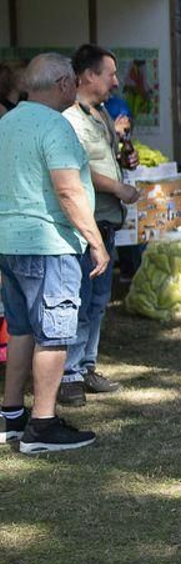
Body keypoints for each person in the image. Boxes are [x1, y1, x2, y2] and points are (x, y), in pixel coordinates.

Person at [0, 54, 107, 453]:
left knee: (23, 329)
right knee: (55, 334)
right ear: (63, 83)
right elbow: (68, 190)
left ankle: (12, 415)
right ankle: (42, 426)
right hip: (48, 243)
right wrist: (95, 241)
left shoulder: (6, 122)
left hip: (8, 240)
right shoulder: (55, 126)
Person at [59, 45, 139, 406]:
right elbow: (75, 168)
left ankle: (86, 366)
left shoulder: (101, 112)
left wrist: (126, 154)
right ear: (88, 75)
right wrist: (118, 187)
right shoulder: (70, 118)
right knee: (80, 301)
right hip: (85, 222)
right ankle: (70, 375)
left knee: (97, 303)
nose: (116, 81)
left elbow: (104, 158)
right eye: (110, 73)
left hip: (107, 220)